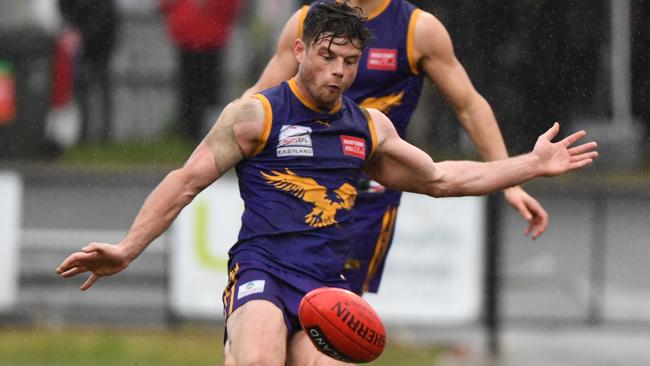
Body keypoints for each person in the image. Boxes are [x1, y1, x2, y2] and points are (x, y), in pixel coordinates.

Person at [56, 2, 597, 365]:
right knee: (261, 358)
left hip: (325, 283)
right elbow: (183, 183)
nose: (339, 71)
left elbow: (439, 178)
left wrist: (528, 165)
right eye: (328, 56)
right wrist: (127, 249)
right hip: (262, 271)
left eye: (350, 61)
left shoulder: (368, 127)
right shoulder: (255, 117)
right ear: (300, 50)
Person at [242, 0, 550, 295]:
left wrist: (513, 183)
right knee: (276, 303)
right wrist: (222, 143)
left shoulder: (418, 29)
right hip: (302, 186)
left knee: (336, 313)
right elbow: (261, 95)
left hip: (369, 195)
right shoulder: (307, 22)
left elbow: (469, 105)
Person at [159, 0, 243, 143]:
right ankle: (189, 133)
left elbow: (233, 8)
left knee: (210, 90)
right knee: (189, 90)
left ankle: (208, 131)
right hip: (187, 39)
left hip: (212, 40)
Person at [58, 0, 118, 143]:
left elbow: (105, 15)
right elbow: (65, 8)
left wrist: (81, 35)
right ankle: (83, 134)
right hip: (81, 44)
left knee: (100, 88)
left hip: (101, 42)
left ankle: (104, 135)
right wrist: (71, 30)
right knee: (80, 89)